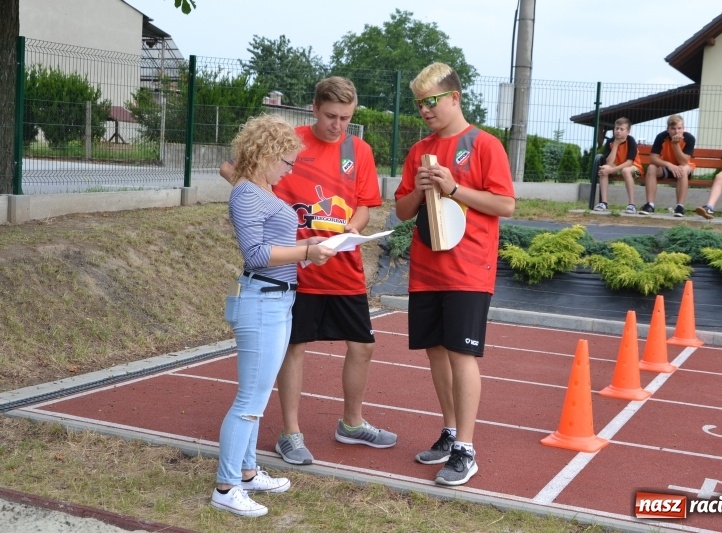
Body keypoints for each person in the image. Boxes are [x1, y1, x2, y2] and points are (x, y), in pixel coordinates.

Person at [220, 77, 396, 467]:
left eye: (346, 118)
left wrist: (354, 226)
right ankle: (290, 433)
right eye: (331, 116)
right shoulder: (288, 144)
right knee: (293, 349)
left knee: (363, 345)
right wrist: (261, 206)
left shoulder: (359, 150)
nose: (338, 125)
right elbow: (234, 171)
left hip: (342, 267)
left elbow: (366, 204)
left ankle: (351, 424)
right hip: (293, 270)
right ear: (314, 109)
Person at [394, 62, 516, 487]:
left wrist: (453, 188)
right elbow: (402, 210)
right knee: (436, 352)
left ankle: (466, 449)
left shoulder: (484, 145)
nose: (425, 110)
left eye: (431, 101)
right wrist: (421, 188)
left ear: (454, 97)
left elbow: (505, 205)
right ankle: (449, 432)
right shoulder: (418, 151)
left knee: (462, 354)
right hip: (427, 269)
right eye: (419, 103)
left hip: (468, 269)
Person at [212, 114, 336, 517]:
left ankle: (246, 473)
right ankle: (227, 486)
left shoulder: (260, 188)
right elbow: (257, 255)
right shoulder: (249, 192)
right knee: (249, 398)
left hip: (277, 300)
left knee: (258, 396)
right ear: (266, 155)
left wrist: (308, 249)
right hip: (262, 301)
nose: (290, 168)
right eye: (286, 160)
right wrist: (306, 251)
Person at [639, 114, 696, 217]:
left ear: (684, 129)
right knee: (652, 168)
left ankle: (680, 207)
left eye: (679, 128)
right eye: (673, 128)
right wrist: (668, 164)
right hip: (667, 167)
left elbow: (684, 162)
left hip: (684, 167)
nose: (676, 131)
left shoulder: (689, 138)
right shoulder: (661, 137)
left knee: (683, 169)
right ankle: (650, 205)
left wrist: (675, 145)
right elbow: (653, 158)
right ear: (668, 129)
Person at [594, 117, 644, 214]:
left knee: (626, 170)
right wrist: (616, 145)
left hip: (637, 172)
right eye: (616, 128)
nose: (618, 131)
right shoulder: (611, 142)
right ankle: (603, 203)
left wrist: (612, 170)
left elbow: (629, 163)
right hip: (619, 168)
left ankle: (632, 205)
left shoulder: (631, 141)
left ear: (628, 131)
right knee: (604, 168)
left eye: (622, 129)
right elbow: (608, 162)